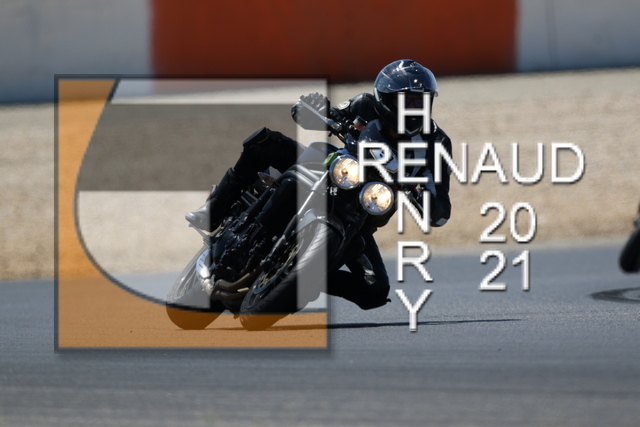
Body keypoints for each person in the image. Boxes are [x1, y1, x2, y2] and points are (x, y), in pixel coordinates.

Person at [186, 59, 453, 309]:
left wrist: (423, 196)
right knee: (266, 143)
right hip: (334, 172)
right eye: (408, 101)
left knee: (374, 289)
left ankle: (303, 276)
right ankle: (214, 210)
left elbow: (441, 211)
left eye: (421, 101)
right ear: (385, 99)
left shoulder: (437, 143)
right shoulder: (364, 105)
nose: (415, 109)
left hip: (361, 215)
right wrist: (316, 109)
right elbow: (318, 113)